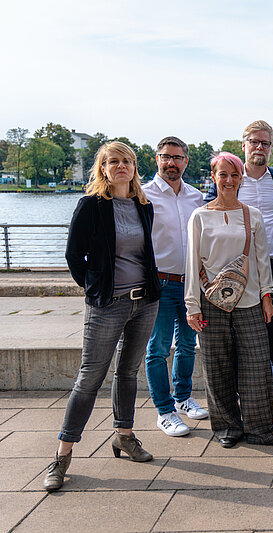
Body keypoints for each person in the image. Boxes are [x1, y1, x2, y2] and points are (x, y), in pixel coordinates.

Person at [45, 141, 161, 491]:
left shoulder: (143, 205)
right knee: (89, 379)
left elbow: (144, 253)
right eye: (113, 161)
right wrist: (96, 289)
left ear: (134, 167)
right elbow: (73, 255)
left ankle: (124, 435)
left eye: (127, 161)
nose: (121, 166)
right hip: (107, 304)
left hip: (145, 302)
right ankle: (62, 455)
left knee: (128, 372)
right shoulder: (91, 205)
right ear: (103, 168)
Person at [185, 152, 273, 449]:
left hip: (250, 299)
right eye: (223, 174)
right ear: (213, 177)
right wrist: (191, 306)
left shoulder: (252, 215)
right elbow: (192, 262)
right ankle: (227, 426)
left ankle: (260, 427)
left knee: (257, 363)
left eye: (234, 175)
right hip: (210, 300)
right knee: (216, 365)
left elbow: (261, 260)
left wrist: (267, 296)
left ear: (241, 178)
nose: (229, 180)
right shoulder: (199, 216)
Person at [205, 121, 273, 411]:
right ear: (243, 145)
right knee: (236, 327)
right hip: (238, 268)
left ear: (271, 147)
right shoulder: (232, 175)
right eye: (254, 142)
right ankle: (237, 388)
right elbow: (208, 211)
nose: (260, 147)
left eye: (265, 143)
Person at [143, 136, 207, 437]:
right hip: (160, 282)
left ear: (186, 161)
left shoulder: (196, 197)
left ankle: (183, 398)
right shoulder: (144, 196)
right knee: (157, 348)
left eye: (177, 158)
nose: (172, 163)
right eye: (166, 157)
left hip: (190, 283)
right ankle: (164, 411)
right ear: (157, 159)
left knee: (187, 344)